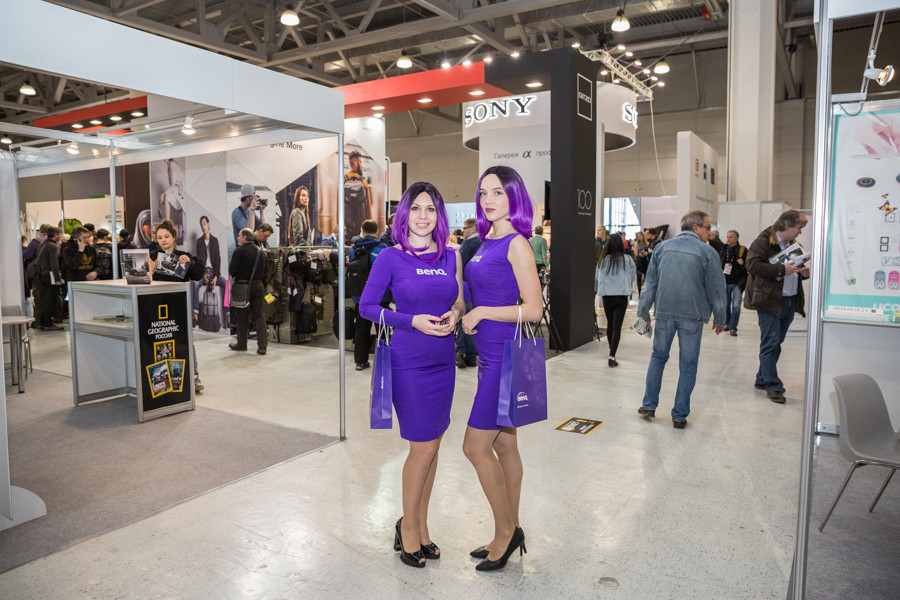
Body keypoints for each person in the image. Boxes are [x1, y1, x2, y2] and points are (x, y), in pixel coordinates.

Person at [359, 181, 465, 569]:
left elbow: (458, 299)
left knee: (433, 446)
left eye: (431, 209)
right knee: (421, 448)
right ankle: (407, 527)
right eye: (416, 208)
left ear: (439, 215)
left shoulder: (451, 255)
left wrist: (455, 313)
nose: (423, 216)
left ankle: (420, 524)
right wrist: (411, 320)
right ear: (404, 214)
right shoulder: (390, 256)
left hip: (443, 360)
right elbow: (367, 307)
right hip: (409, 362)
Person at [461, 165, 542, 572]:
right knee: (505, 445)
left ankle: (505, 532)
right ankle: (510, 530)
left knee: (475, 447)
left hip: (506, 359)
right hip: (487, 357)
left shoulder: (517, 243)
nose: (488, 200)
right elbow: (477, 290)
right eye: (483, 193)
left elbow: (534, 309)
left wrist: (482, 311)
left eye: (497, 192)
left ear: (514, 197)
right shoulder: (483, 241)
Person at [636, 210, 727, 429]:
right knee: (688, 365)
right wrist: (720, 316)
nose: (709, 232)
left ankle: (648, 405)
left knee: (658, 357)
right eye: (707, 228)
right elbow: (716, 288)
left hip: (664, 313)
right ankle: (679, 415)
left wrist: (643, 313)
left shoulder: (662, 248)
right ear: (696, 227)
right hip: (692, 315)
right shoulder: (707, 252)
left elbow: (650, 285)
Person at [744, 210, 810, 404]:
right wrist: (782, 269)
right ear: (787, 226)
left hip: (788, 300)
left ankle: (762, 378)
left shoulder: (794, 245)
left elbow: (792, 270)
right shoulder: (763, 242)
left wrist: (803, 272)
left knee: (776, 342)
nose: (800, 232)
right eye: (798, 228)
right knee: (770, 343)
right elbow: (751, 265)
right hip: (769, 300)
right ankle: (773, 386)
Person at [150, 220, 206, 392]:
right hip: (157, 306)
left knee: (185, 340)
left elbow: (199, 274)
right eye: (160, 237)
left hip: (180, 306)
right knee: (161, 342)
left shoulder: (183, 255)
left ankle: (194, 377)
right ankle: (164, 382)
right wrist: (149, 271)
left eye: (166, 236)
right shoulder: (152, 256)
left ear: (174, 237)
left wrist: (190, 262)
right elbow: (140, 280)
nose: (163, 240)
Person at [350, 219, 388, 370]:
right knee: (382, 329)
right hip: (381, 295)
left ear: (362, 230)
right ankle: (384, 361)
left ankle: (360, 361)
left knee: (361, 329)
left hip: (360, 295)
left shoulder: (354, 248)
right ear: (377, 231)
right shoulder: (383, 248)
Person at [596, 233, 636, 367]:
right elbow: (632, 277)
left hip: (607, 296)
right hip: (621, 296)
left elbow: (598, 277)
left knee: (610, 324)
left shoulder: (603, 260)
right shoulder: (627, 259)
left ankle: (611, 350)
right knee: (617, 327)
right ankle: (612, 355)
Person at [229, 228, 268, 355]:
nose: (238, 238)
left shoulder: (239, 251)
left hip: (242, 286)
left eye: (239, 236)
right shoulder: (262, 252)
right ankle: (262, 346)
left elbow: (232, 270)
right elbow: (266, 272)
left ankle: (242, 344)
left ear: (245, 237)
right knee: (260, 316)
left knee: (242, 317)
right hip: (258, 286)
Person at [455, 218, 481, 368]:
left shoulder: (468, 243)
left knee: (463, 321)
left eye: (464, 228)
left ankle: (461, 353)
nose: (463, 231)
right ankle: (470, 356)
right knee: (471, 322)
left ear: (472, 229)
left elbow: (458, 266)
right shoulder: (483, 243)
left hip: (464, 288)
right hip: (476, 289)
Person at [194, 215, 226, 329]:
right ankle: (195, 315)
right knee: (195, 284)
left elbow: (217, 260)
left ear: (208, 224)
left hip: (214, 271)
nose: (203, 227)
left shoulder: (214, 241)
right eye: (201, 224)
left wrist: (216, 276)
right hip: (204, 272)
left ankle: (228, 314)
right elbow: (198, 261)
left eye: (204, 224)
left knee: (226, 283)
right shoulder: (199, 242)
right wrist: (203, 274)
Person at [36, 226, 64, 331]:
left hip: (43, 275)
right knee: (51, 301)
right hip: (51, 276)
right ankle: (47, 324)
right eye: (59, 234)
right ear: (56, 234)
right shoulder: (53, 246)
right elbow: (54, 264)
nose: (60, 236)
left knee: (46, 300)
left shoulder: (42, 244)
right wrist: (57, 279)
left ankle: (41, 323)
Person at [720, 230, 748, 337]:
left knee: (736, 306)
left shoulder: (743, 250)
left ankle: (733, 327)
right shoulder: (724, 249)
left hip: (738, 283)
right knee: (726, 305)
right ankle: (727, 323)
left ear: (736, 239)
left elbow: (750, 265)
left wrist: (743, 263)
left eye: (731, 237)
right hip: (725, 281)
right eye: (727, 236)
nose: (728, 239)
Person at [344, 151, 372, 239]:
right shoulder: (363, 181)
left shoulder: (344, 179)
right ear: (355, 163)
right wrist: (370, 219)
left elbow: (338, 201)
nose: (361, 165)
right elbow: (368, 203)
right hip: (361, 219)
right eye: (360, 162)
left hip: (347, 220)